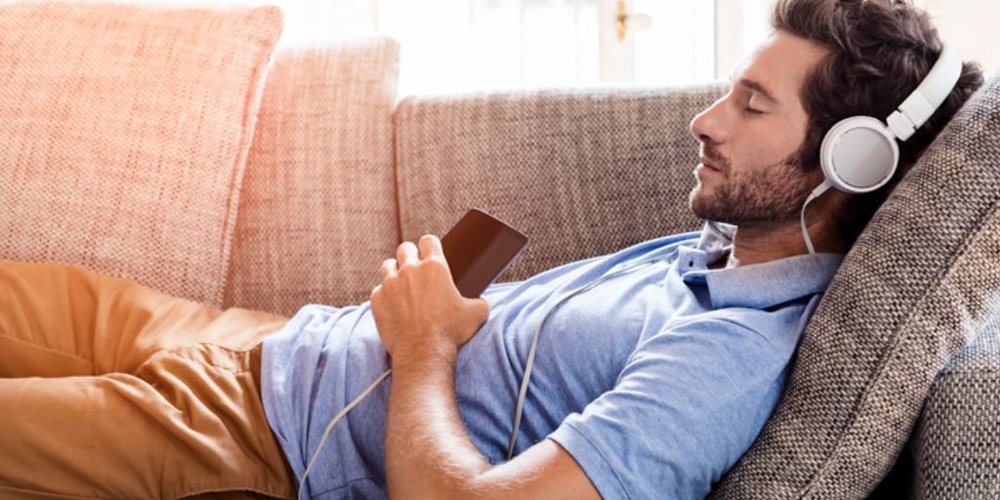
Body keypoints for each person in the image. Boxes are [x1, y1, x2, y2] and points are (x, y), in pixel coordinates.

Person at [0, 0, 984, 498]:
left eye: (752, 106)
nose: (705, 120)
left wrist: (425, 345)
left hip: (255, 435)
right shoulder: (720, 251)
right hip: (260, 337)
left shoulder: (722, 363)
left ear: (846, 162)